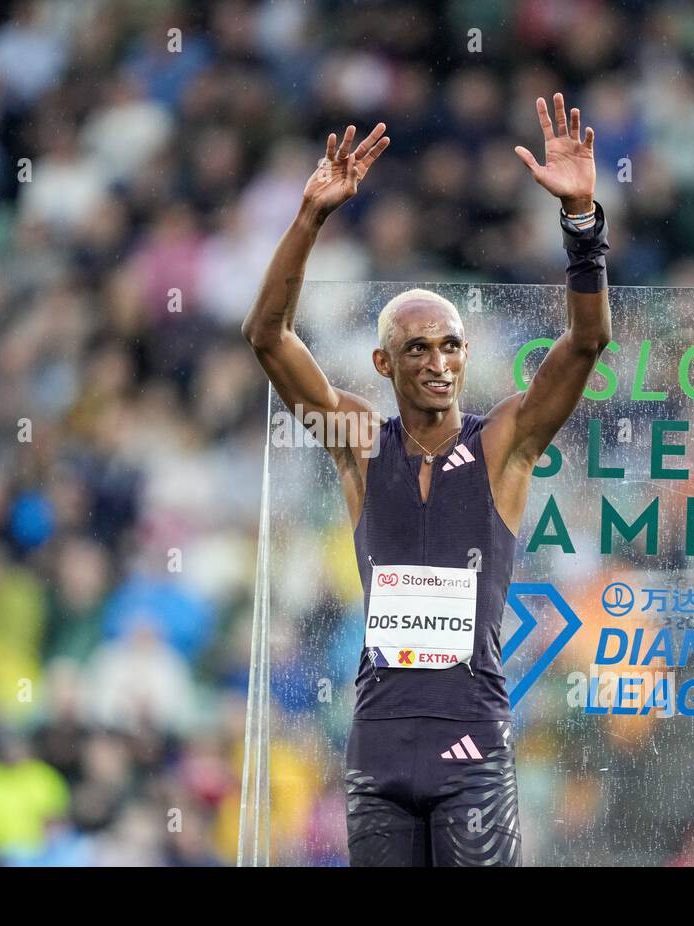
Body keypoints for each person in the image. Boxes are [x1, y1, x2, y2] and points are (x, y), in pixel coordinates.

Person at [241, 94, 612, 866]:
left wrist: (581, 219)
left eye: (451, 346)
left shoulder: (506, 443)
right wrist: (309, 219)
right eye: (416, 349)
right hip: (376, 748)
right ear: (383, 364)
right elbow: (268, 337)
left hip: (471, 744)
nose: (438, 363)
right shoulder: (358, 446)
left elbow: (586, 341)